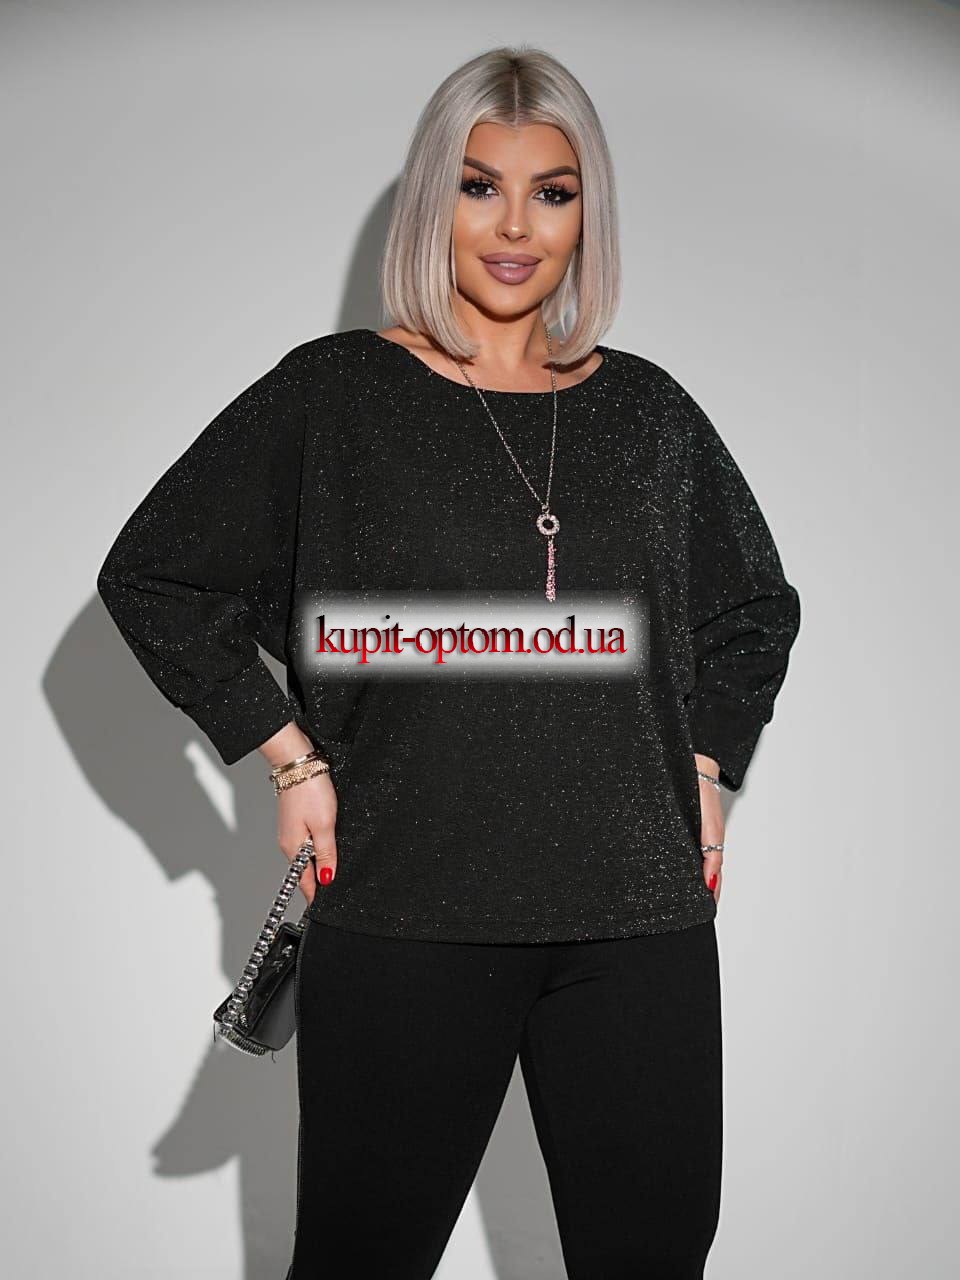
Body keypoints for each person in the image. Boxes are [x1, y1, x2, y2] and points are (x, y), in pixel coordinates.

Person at [97, 44, 801, 1280]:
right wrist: (286, 757)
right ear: (435, 199)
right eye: (481, 186)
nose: (516, 226)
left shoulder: (648, 414)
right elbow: (155, 572)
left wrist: (706, 767)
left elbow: (752, 607)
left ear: (587, 213)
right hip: (405, 909)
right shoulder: (337, 395)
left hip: (636, 926)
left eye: (552, 192)